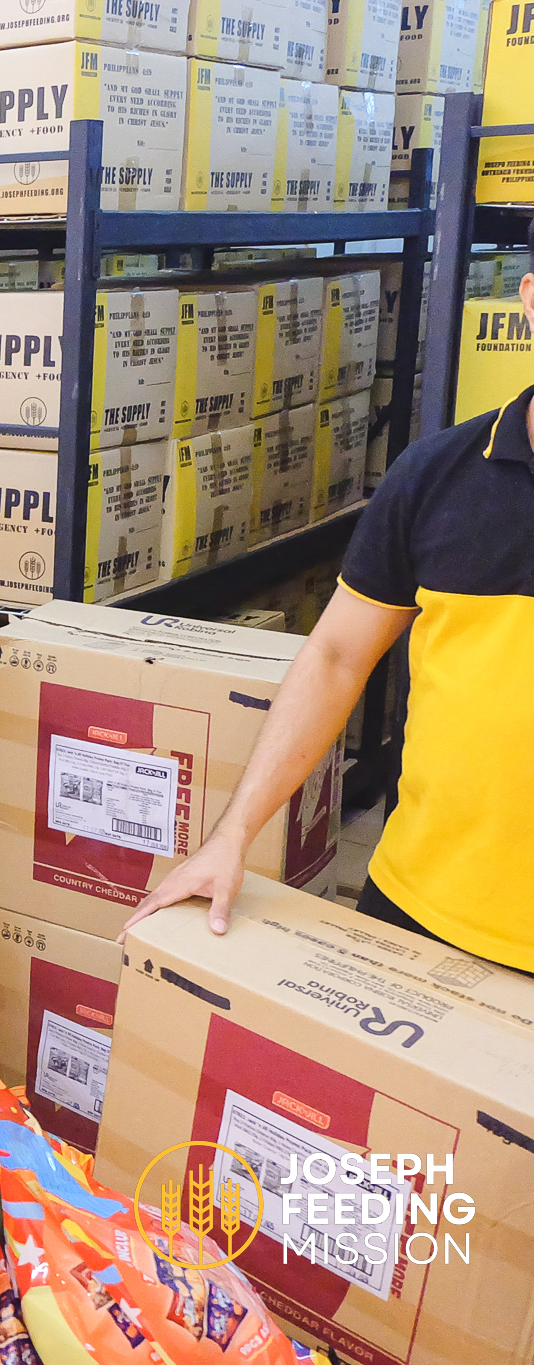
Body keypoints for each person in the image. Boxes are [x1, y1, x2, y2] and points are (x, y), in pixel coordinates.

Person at [122, 254, 534, 975]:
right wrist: (232, 835)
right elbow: (337, 657)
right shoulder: (436, 476)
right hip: (416, 909)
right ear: (531, 300)